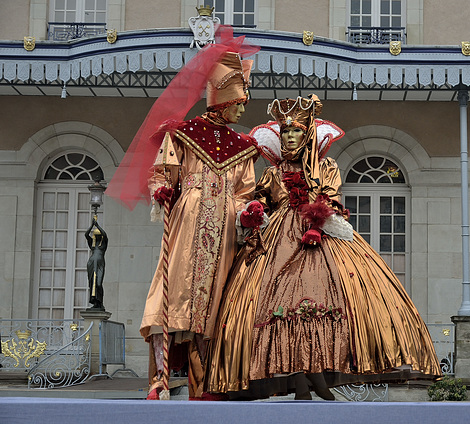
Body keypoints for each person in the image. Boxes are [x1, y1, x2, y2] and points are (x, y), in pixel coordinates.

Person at [204, 95, 441, 401]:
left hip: (318, 237)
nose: (290, 137)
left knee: (322, 296)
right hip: (277, 241)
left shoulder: (325, 167)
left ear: (308, 135)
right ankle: (304, 381)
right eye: (285, 132)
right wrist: (254, 211)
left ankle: (314, 376)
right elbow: (262, 199)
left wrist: (316, 224)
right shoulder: (271, 172)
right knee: (275, 302)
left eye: (296, 132)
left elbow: (330, 199)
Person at [105, 26, 262, 401]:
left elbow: (245, 191)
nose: (242, 108)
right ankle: (160, 377)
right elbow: (163, 171)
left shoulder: (242, 147)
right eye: (239, 101)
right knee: (173, 294)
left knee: (218, 300)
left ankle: (205, 381)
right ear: (223, 101)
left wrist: (248, 211)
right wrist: (160, 188)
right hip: (188, 221)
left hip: (224, 228)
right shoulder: (184, 134)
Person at [85, 217, 108, 310]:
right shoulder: (93, 244)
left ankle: (100, 303)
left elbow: (105, 235)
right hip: (91, 263)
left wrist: (97, 225)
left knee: (98, 284)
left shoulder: (103, 244)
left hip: (100, 264)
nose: (98, 236)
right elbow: (86, 235)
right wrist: (91, 226)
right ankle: (95, 303)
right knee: (92, 283)